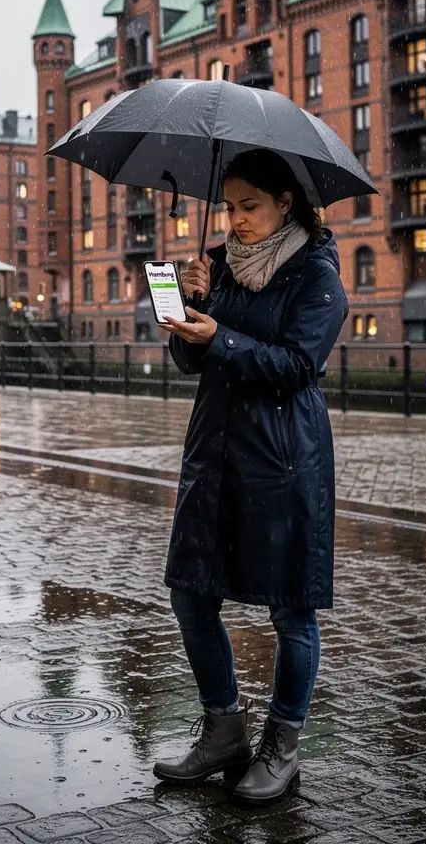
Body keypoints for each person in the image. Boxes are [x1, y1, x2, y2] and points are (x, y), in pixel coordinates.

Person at [152, 148, 348, 805]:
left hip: (283, 459)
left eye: (249, 206)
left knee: (292, 611)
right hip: (215, 451)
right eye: (230, 206)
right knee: (190, 593)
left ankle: (282, 747)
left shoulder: (317, 272)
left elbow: (299, 365)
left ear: (284, 202)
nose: (234, 220)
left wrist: (223, 340)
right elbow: (188, 356)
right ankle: (224, 731)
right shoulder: (219, 267)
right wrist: (189, 305)